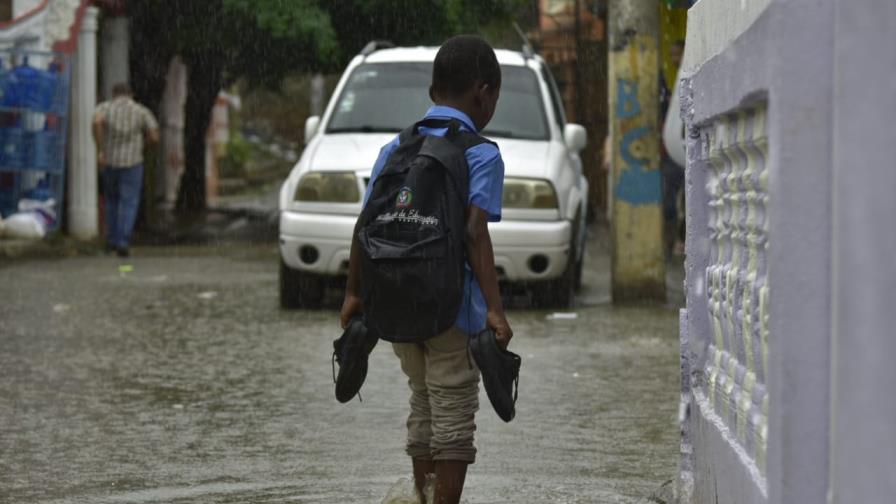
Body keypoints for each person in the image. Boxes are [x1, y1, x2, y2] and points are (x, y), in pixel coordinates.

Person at [339, 35, 513, 504]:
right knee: (454, 410)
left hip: (394, 306)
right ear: (484, 93)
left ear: (434, 91)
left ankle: (420, 498)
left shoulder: (396, 147)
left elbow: (364, 224)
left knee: (422, 401)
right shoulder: (482, 153)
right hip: (452, 309)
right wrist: (495, 311)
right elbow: (476, 232)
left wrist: (353, 295)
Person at [92, 82, 159, 257]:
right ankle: (123, 241)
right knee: (129, 202)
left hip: (110, 161)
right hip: (133, 162)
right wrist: (142, 146)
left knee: (111, 201)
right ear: (131, 93)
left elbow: (97, 122)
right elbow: (154, 135)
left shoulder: (105, 108)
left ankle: (111, 240)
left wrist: (101, 149)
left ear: (113, 93)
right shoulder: (141, 110)